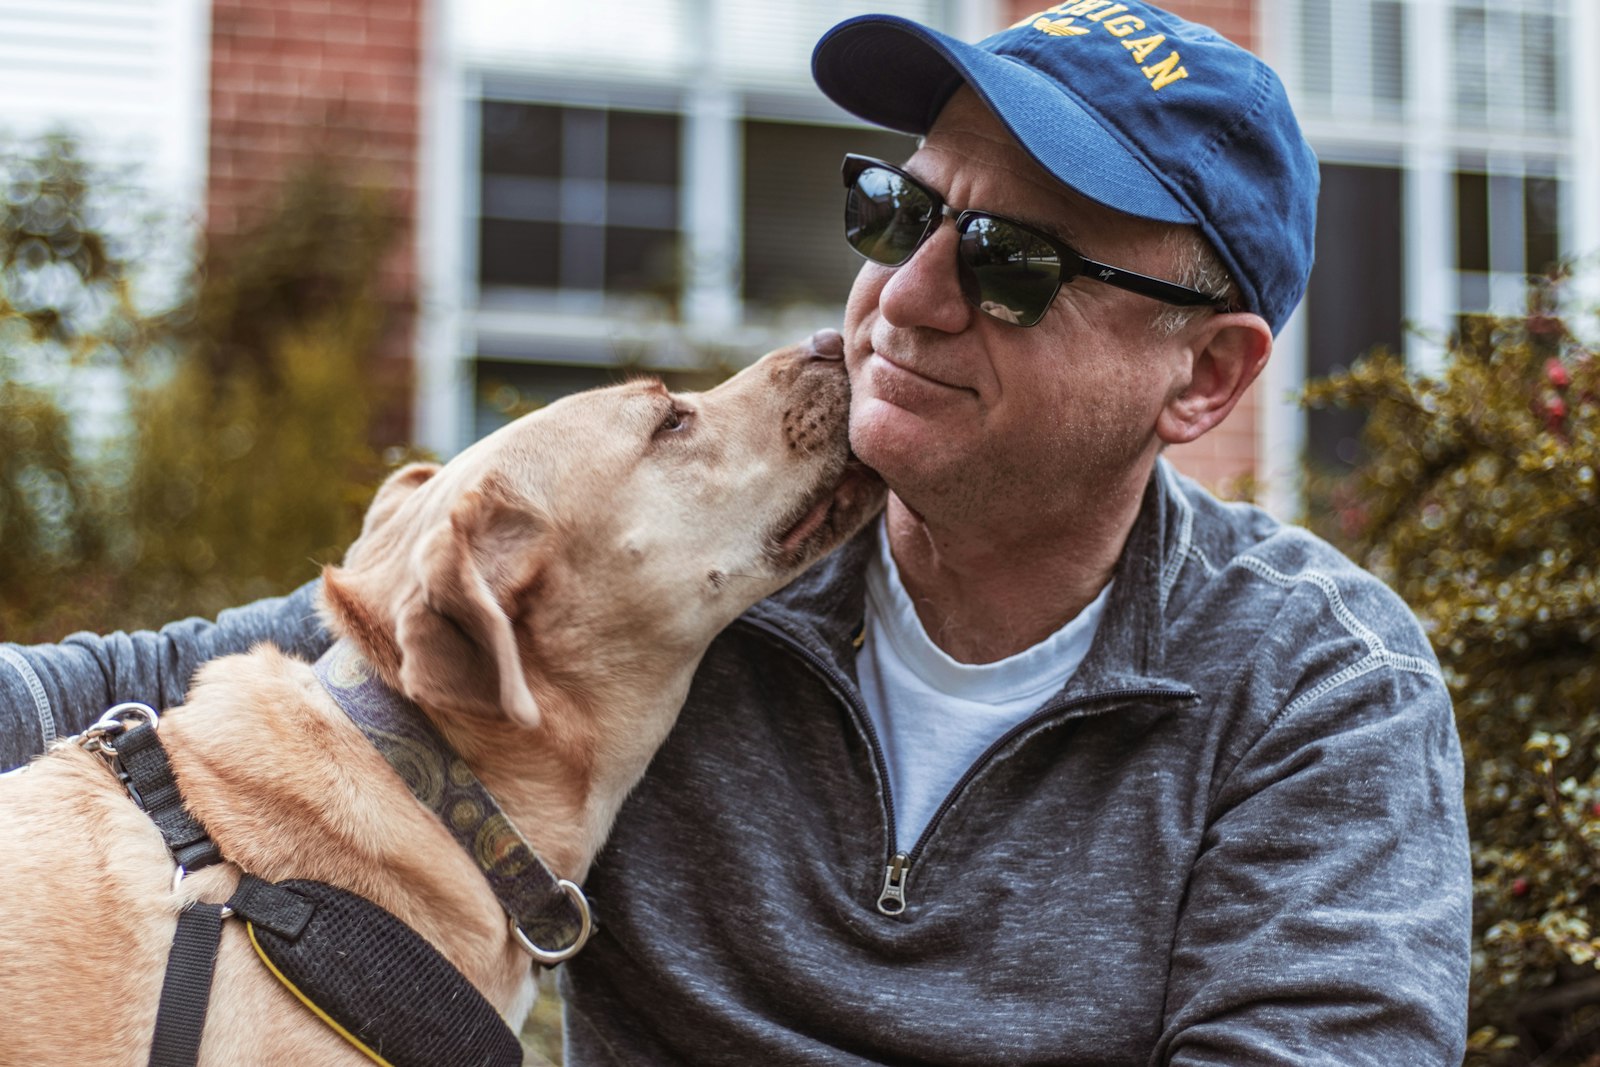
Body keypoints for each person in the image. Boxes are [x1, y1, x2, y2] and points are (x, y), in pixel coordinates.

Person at [1, 3, 1470, 1062]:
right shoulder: (672, 576)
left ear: (1203, 378)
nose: (905, 296)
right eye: (902, 211)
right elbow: (148, 697)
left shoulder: (1313, 688)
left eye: (1013, 262)